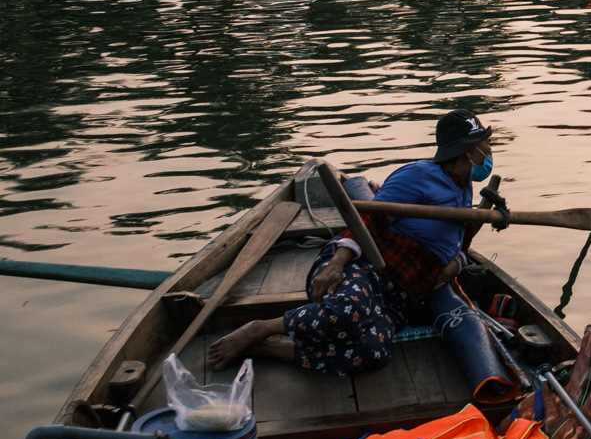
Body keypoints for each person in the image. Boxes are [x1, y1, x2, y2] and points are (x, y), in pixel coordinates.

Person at [207, 110, 497, 374]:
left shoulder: (464, 188)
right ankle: (259, 329)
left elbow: (457, 242)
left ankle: (277, 348)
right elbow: (369, 219)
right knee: (349, 311)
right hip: (366, 269)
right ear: (469, 150)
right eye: (486, 144)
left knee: (374, 352)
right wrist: (336, 264)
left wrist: (456, 263)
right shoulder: (419, 175)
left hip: (402, 295)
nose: (490, 150)